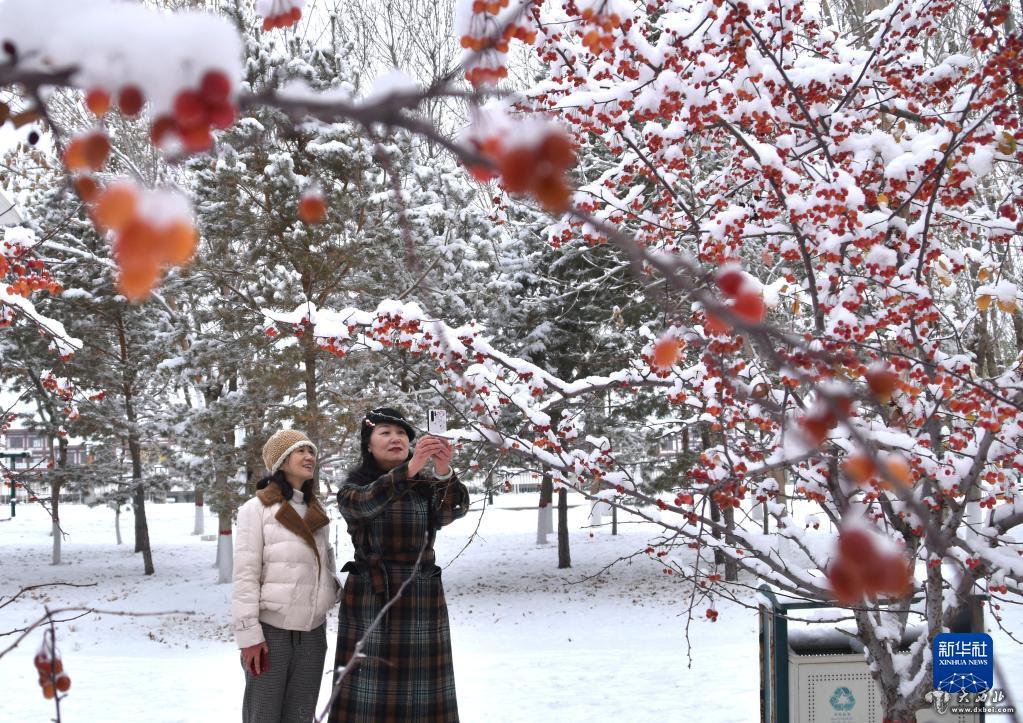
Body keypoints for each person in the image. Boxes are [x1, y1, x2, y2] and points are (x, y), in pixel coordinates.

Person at [328, 407, 469, 723]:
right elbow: (367, 503)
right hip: (371, 600)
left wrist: (444, 470)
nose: (396, 439)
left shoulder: (424, 485)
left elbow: (452, 511)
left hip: (421, 597)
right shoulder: (352, 489)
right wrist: (411, 468)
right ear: (368, 444)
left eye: (402, 433)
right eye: (385, 432)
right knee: (367, 696)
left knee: (422, 698)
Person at [232, 429, 340, 723]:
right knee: (263, 716)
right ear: (281, 461)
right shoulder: (256, 509)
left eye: (312, 452)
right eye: (300, 451)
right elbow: (245, 576)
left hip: (312, 634)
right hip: (271, 634)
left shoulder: (316, 510)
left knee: (301, 717)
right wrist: (249, 636)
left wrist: (334, 588)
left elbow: (323, 566)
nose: (309, 457)